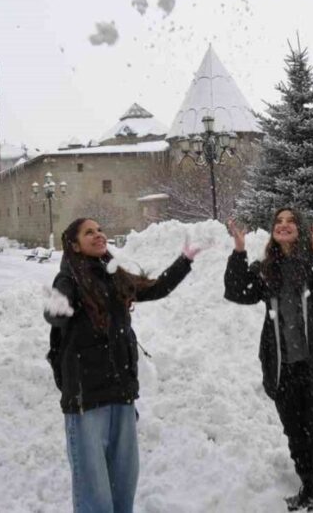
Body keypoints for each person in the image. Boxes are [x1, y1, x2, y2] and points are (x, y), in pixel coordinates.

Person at [45, 217, 201, 513]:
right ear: (74, 245)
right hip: (86, 399)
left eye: (100, 229)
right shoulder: (68, 279)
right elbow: (56, 314)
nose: (98, 234)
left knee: (123, 483)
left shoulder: (113, 274)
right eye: (89, 232)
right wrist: (57, 309)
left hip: (121, 393)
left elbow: (154, 289)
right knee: (94, 490)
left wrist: (184, 260)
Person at [224, 208, 313, 513]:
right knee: (295, 432)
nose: (284, 225)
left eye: (291, 220)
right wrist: (239, 251)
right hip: (283, 368)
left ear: (300, 229)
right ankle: (308, 486)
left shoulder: (311, 262)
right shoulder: (268, 268)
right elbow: (237, 292)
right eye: (278, 221)